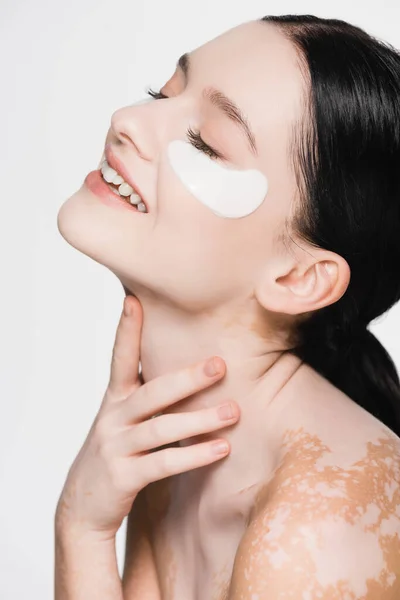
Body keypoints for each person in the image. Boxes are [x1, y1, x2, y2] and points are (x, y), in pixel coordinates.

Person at [54, 13, 400, 600]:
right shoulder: (169, 451)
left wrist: (81, 534)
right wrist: (83, 527)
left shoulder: (318, 530)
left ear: (298, 277)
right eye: (160, 94)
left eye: (205, 142)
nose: (127, 120)